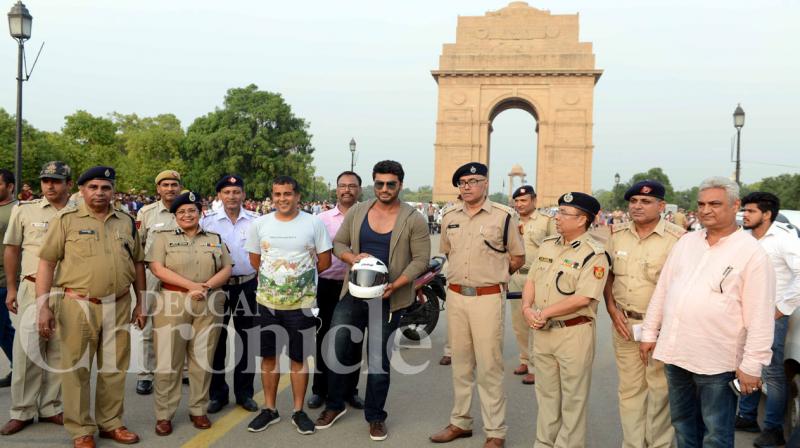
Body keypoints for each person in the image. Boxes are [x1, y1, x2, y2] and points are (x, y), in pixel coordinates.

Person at [640, 176, 775, 448]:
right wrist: (649, 332)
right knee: (683, 424)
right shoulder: (687, 242)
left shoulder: (752, 254)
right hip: (677, 353)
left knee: (716, 433)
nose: (705, 210)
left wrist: (752, 365)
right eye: (701, 204)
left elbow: (760, 317)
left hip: (717, 361)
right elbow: (664, 290)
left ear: (735, 205)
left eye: (715, 203)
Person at [314, 161, 430, 441]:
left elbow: (421, 260)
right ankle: (334, 405)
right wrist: (353, 258)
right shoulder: (358, 211)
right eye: (379, 183)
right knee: (338, 351)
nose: (385, 189)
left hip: (390, 298)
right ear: (373, 184)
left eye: (391, 184)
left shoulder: (413, 218)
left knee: (378, 361)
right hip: (353, 294)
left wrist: (396, 284)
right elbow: (339, 244)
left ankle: (376, 416)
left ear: (400, 184)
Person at [36, 166, 147, 448]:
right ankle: (81, 429)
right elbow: (47, 263)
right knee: (77, 369)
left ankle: (111, 423)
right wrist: (43, 306)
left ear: (113, 191)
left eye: (105, 187)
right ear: (82, 190)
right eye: (93, 187)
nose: (100, 193)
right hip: (78, 304)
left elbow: (137, 263)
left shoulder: (125, 220)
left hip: (119, 304)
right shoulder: (67, 220)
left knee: (113, 368)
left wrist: (141, 302)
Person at [430, 162, 524, 448]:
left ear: (486, 183)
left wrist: (494, 276)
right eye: (462, 182)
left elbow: (517, 257)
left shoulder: (504, 216)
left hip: (487, 297)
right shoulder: (449, 216)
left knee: (489, 366)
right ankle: (461, 422)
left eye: (473, 181)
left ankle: (496, 431)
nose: (467, 186)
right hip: (457, 296)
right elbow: (447, 251)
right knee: (460, 364)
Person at [244, 176, 332, 435]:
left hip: (302, 305)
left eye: (288, 194)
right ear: (272, 196)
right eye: (277, 194)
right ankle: (269, 409)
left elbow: (324, 262)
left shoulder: (314, 223)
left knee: (298, 358)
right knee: (269, 358)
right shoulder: (260, 224)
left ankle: (298, 410)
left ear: (297, 196)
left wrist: (297, 282)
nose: (282, 199)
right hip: (267, 303)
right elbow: (255, 260)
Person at [520, 192, 608, 448]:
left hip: (574, 333)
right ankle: (544, 444)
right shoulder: (548, 244)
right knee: (546, 396)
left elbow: (584, 297)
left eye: (563, 213)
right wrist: (527, 307)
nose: (557, 218)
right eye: (558, 211)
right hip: (543, 331)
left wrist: (543, 313)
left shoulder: (595, 254)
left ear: (582, 220)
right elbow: (531, 280)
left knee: (573, 399)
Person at [602, 180, 684, 448]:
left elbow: (683, 288)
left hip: (661, 329)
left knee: (660, 393)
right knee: (630, 392)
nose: (638, 206)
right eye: (634, 201)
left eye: (646, 201)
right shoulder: (617, 235)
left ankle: (659, 444)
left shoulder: (678, 239)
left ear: (661, 206)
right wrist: (613, 311)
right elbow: (609, 277)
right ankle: (633, 444)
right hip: (625, 325)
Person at [147, 191, 233, 436]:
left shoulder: (214, 238)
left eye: (192, 210)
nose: (187, 215)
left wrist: (205, 287)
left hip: (208, 301)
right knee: (168, 361)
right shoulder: (163, 238)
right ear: (175, 215)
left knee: (202, 359)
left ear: (200, 213)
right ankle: (164, 415)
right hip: (173, 301)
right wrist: (190, 286)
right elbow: (157, 268)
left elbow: (226, 267)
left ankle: (198, 409)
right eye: (181, 211)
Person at [1, 162, 73, 436]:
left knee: (59, 351)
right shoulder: (25, 210)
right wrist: (11, 287)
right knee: (27, 351)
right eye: (45, 181)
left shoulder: (79, 212)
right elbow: (11, 250)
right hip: (32, 288)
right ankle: (22, 410)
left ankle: (51, 406)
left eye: (56, 181)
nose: (50, 186)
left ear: (68, 183)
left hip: (68, 292)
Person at [735, 192, 800, 447]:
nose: (745, 215)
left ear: (767, 214)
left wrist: (781, 308)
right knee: (748, 365)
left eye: (750, 211)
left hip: (772, 316)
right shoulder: (744, 238)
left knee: (772, 374)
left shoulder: (784, 240)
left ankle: (773, 430)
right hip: (745, 314)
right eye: (745, 211)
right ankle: (747, 416)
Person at [201, 175, 260, 414]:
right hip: (218, 288)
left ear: (244, 194)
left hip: (248, 285)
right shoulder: (208, 223)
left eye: (236, 191)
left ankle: (244, 393)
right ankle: (218, 394)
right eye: (227, 192)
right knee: (217, 340)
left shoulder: (257, 221)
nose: (232, 196)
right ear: (219, 196)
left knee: (248, 340)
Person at [306, 171, 364, 411]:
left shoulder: (368, 216)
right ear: (336, 190)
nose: (347, 190)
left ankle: (350, 390)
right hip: (327, 285)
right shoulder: (321, 219)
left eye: (352, 186)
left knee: (354, 339)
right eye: (343, 186)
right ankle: (320, 389)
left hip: (358, 287)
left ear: (359, 189)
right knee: (324, 337)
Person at [134, 170, 182, 395]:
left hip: (182, 275)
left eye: (174, 185)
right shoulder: (146, 213)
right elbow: (138, 247)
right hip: (153, 274)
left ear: (180, 187)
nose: (170, 189)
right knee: (149, 324)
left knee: (182, 322)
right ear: (158, 189)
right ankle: (146, 373)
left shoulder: (189, 210)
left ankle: (181, 370)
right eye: (165, 185)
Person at [508, 185, 555, 386]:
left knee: (535, 322)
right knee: (519, 324)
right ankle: (525, 360)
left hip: (538, 278)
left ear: (534, 200)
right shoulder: (510, 221)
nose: (519, 204)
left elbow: (556, 247)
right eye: (517, 201)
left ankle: (536, 367)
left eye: (524, 200)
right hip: (516, 276)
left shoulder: (547, 222)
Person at [0, 169, 17, 389]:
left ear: (10, 186)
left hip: (4, 279)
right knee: (4, 329)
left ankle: (22, 369)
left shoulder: (17, 211)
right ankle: (20, 367)